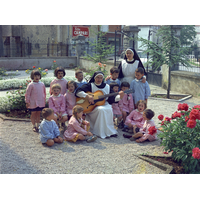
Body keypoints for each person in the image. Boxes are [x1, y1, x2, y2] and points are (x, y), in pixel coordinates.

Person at [75, 71, 125, 139]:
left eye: (101, 78)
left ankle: (109, 131)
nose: (99, 79)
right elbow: (78, 92)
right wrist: (87, 96)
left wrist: (120, 97)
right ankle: (97, 131)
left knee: (109, 109)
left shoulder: (107, 87)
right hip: (93, 106)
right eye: (97, 77)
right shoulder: (90, 85)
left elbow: (113, 98)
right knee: (101, 110)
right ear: (94, 78)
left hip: (105, 104)